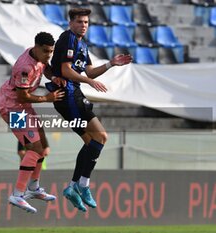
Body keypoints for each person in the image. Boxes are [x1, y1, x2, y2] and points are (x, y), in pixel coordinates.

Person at [50, 8, 133, 212]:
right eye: (79, 22)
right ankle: (83, 185)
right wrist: (88, 81)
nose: (83, 25)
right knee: (101, 136)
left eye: (86, 22)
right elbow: (65, 70)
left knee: (90, 142)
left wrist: (110, 64)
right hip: (69, 95)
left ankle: (72, 187)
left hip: (70, 96)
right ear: (71, 23)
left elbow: (90, 71)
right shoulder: (68, 38)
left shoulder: (82, 44)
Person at [0, 32, 66, 213]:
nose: (48, 55)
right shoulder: (24, 68)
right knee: (34, 147)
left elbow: (46, 66)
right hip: (12, 107)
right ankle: (17, 195)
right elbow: (22, 95)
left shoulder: (39, 55)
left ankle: (33, 188)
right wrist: (47, 98)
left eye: (51, 51)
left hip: (23, 106)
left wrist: (53, 77)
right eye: (46, 51)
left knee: (42, 147)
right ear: (36, 47)